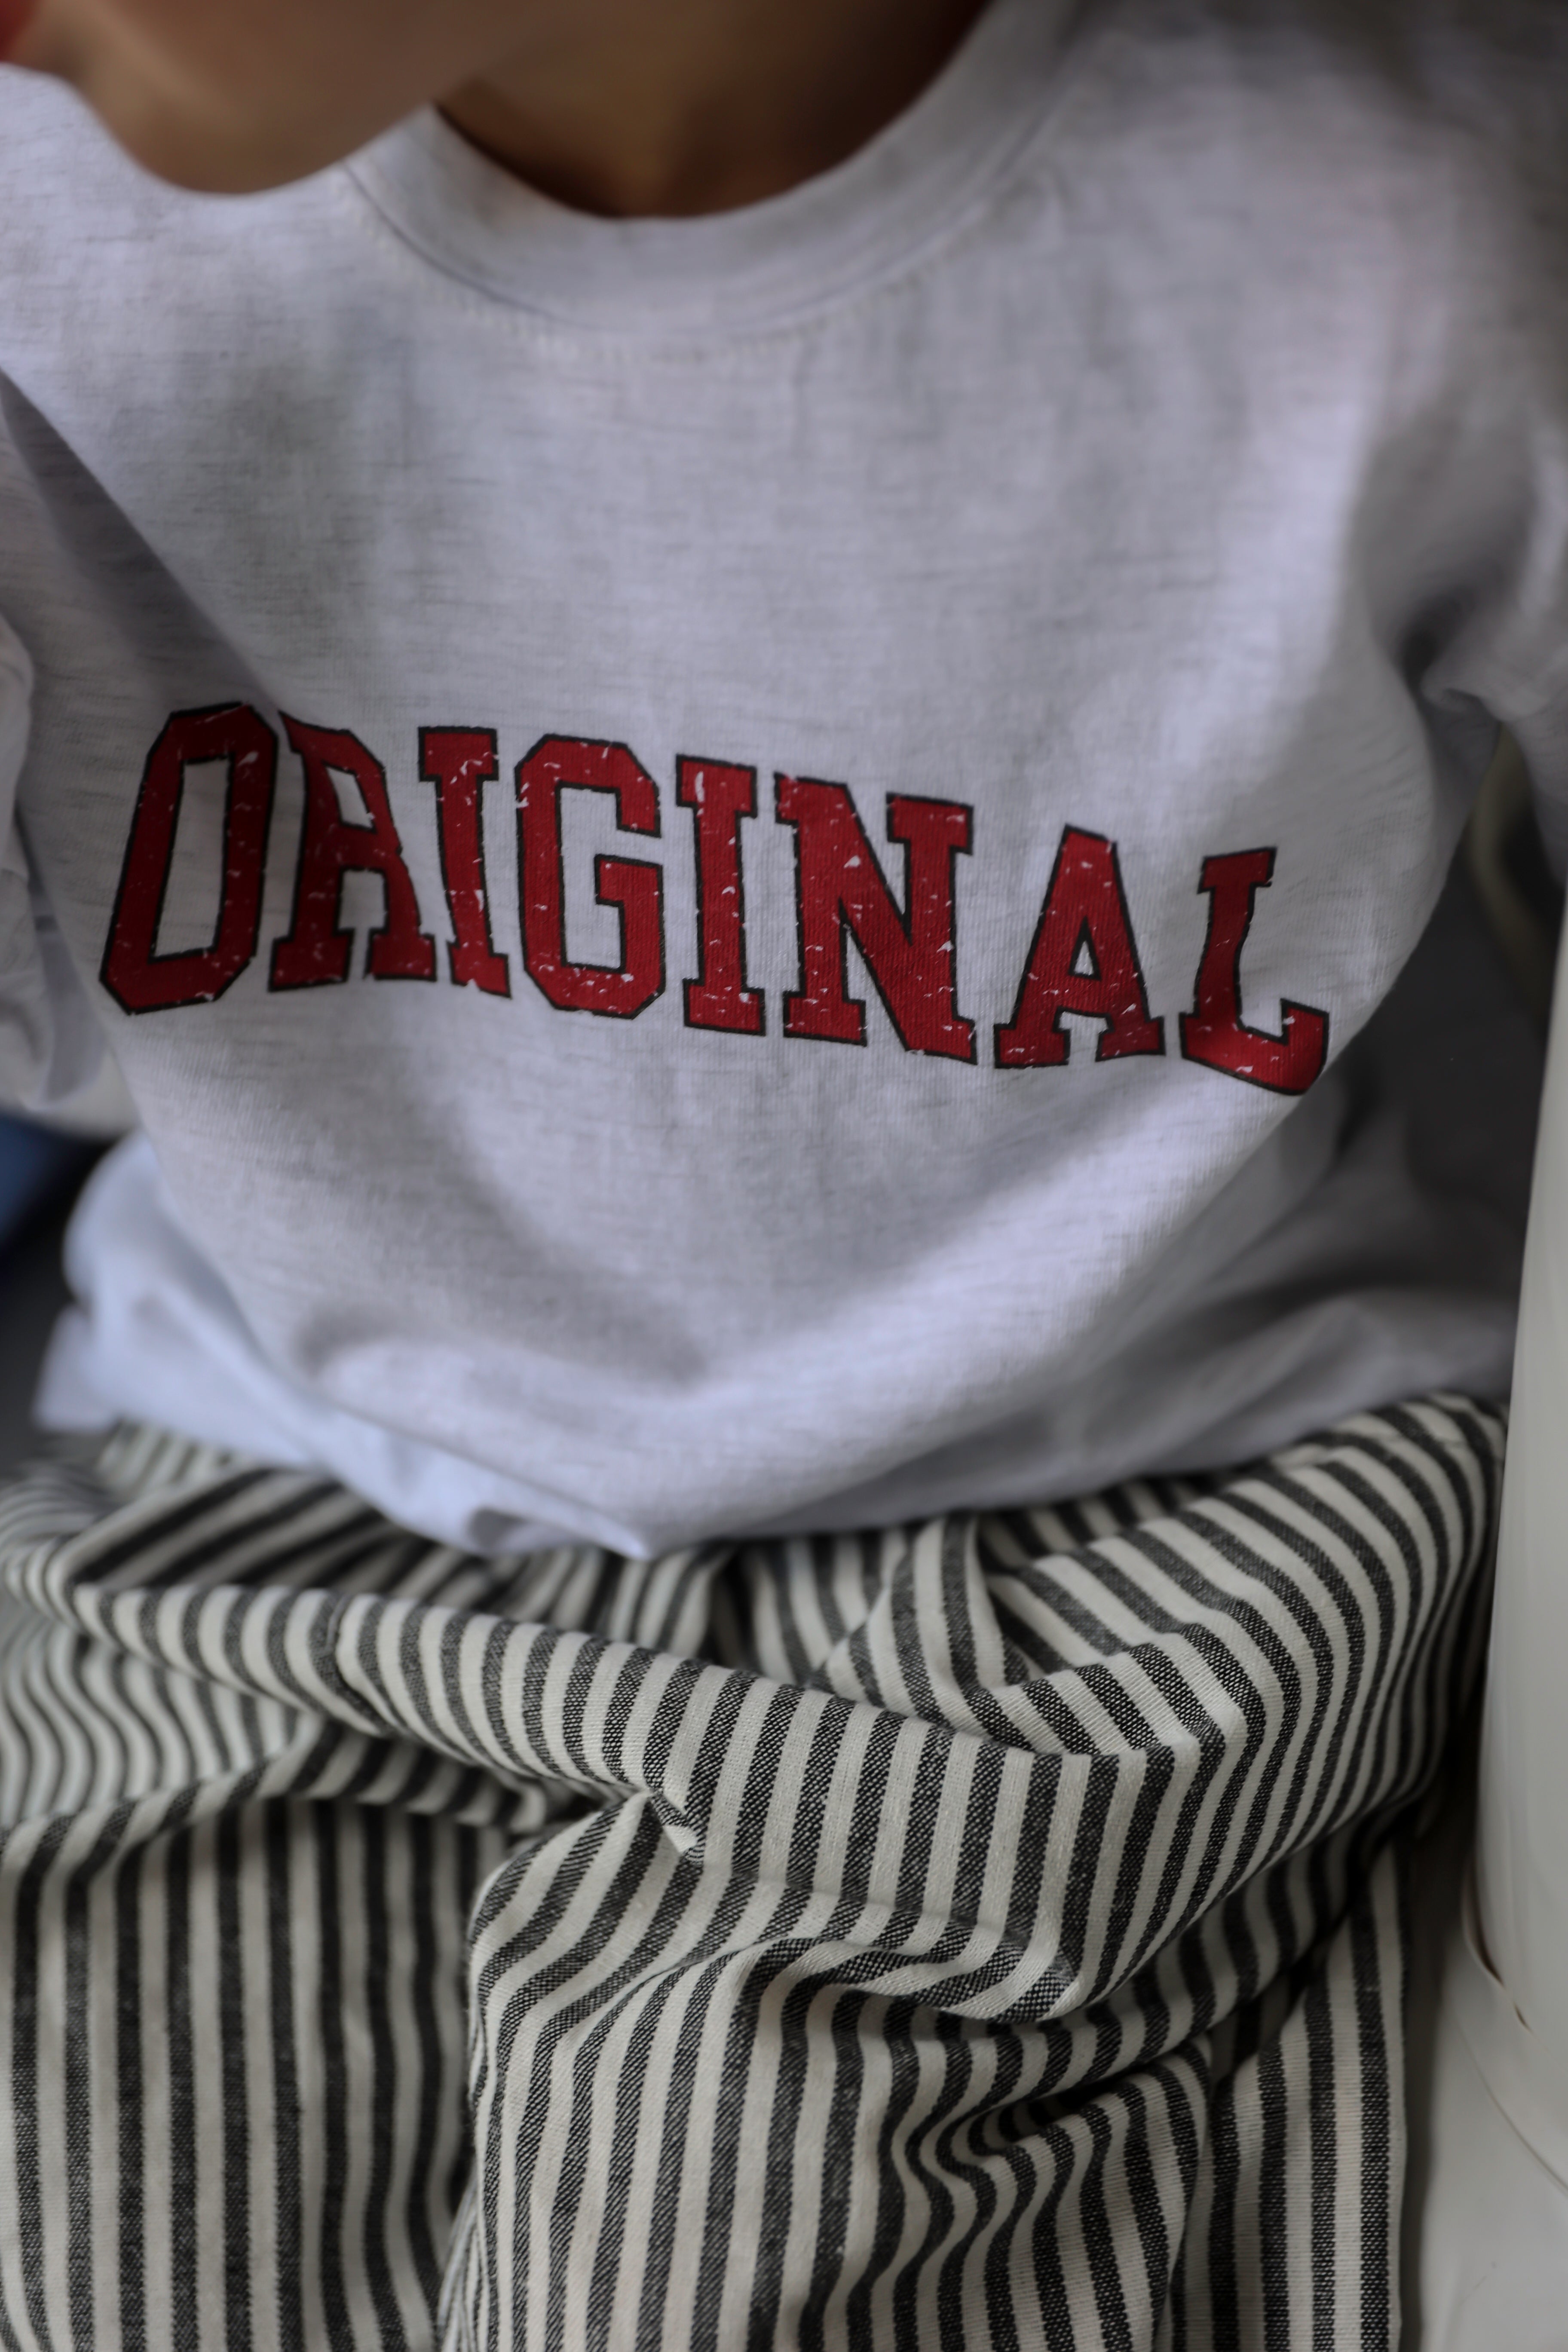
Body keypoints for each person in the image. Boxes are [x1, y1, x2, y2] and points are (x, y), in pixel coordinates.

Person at [0, 0, 1559, 2343]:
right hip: (274, 1469)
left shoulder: (1413, 239)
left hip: (1137, 1505)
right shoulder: (45, 198)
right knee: (97, 2232)